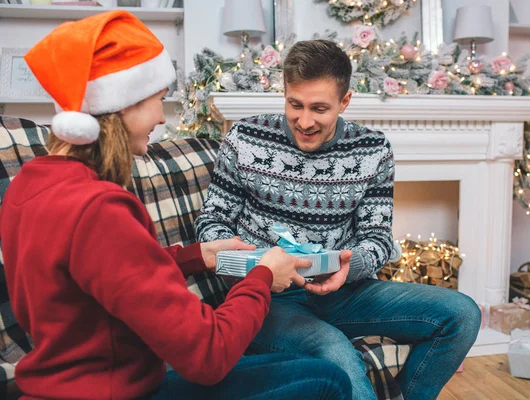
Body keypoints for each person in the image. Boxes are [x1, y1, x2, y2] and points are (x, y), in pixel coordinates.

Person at [0, 12, 352, 400]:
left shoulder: (32, 182)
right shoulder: (99, 209)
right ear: (122, 106)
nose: (159, 117)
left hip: (66, 382)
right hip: (115, 391)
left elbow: (103, 274)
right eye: (157, 100)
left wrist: (196, 256)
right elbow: (208, 356)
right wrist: (263, 277)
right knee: (328, 380)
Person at [195, 39, 482, 400]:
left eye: (319, 108)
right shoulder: (245, 138)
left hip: (345, 291)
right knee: (338, 355)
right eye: (294, 104)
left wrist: (351, 265)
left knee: (462, 314)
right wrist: (257, 264)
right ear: (283, 92)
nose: (304, 121)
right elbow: (212, 224)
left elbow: (378, 238)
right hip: (270, 297)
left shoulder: (373, 149)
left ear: (344, 101)